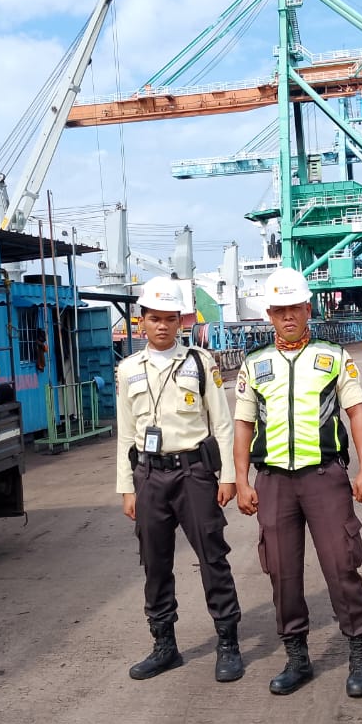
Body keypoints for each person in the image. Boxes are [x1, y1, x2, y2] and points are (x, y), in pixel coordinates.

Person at [233, 267, 362, 699]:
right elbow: (243, 425)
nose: (287, 316)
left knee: (341, 564)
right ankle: (297, 656)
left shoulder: (333, 357)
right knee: (281, 571)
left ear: (308, 309)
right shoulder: (254, 363)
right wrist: (241, 480)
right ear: (269, 315)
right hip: (273, 481)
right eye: (279, 310)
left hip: (323, 477)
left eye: (294, 308)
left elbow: (356, 412)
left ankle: (359, 653)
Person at [115, 276, 244, 683]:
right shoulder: (128, 370)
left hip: (194, 474)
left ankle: (228, 643)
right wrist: (126, 487)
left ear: (181, 322)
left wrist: (227, 477)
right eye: (155, 318)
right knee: (155, 563)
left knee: (212, 557)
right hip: (149, 476)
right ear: (141, 321)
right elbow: (125, 433)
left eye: (170, 319)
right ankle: (164, 646)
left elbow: (222, 424)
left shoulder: (200, 363)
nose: (162, 326)